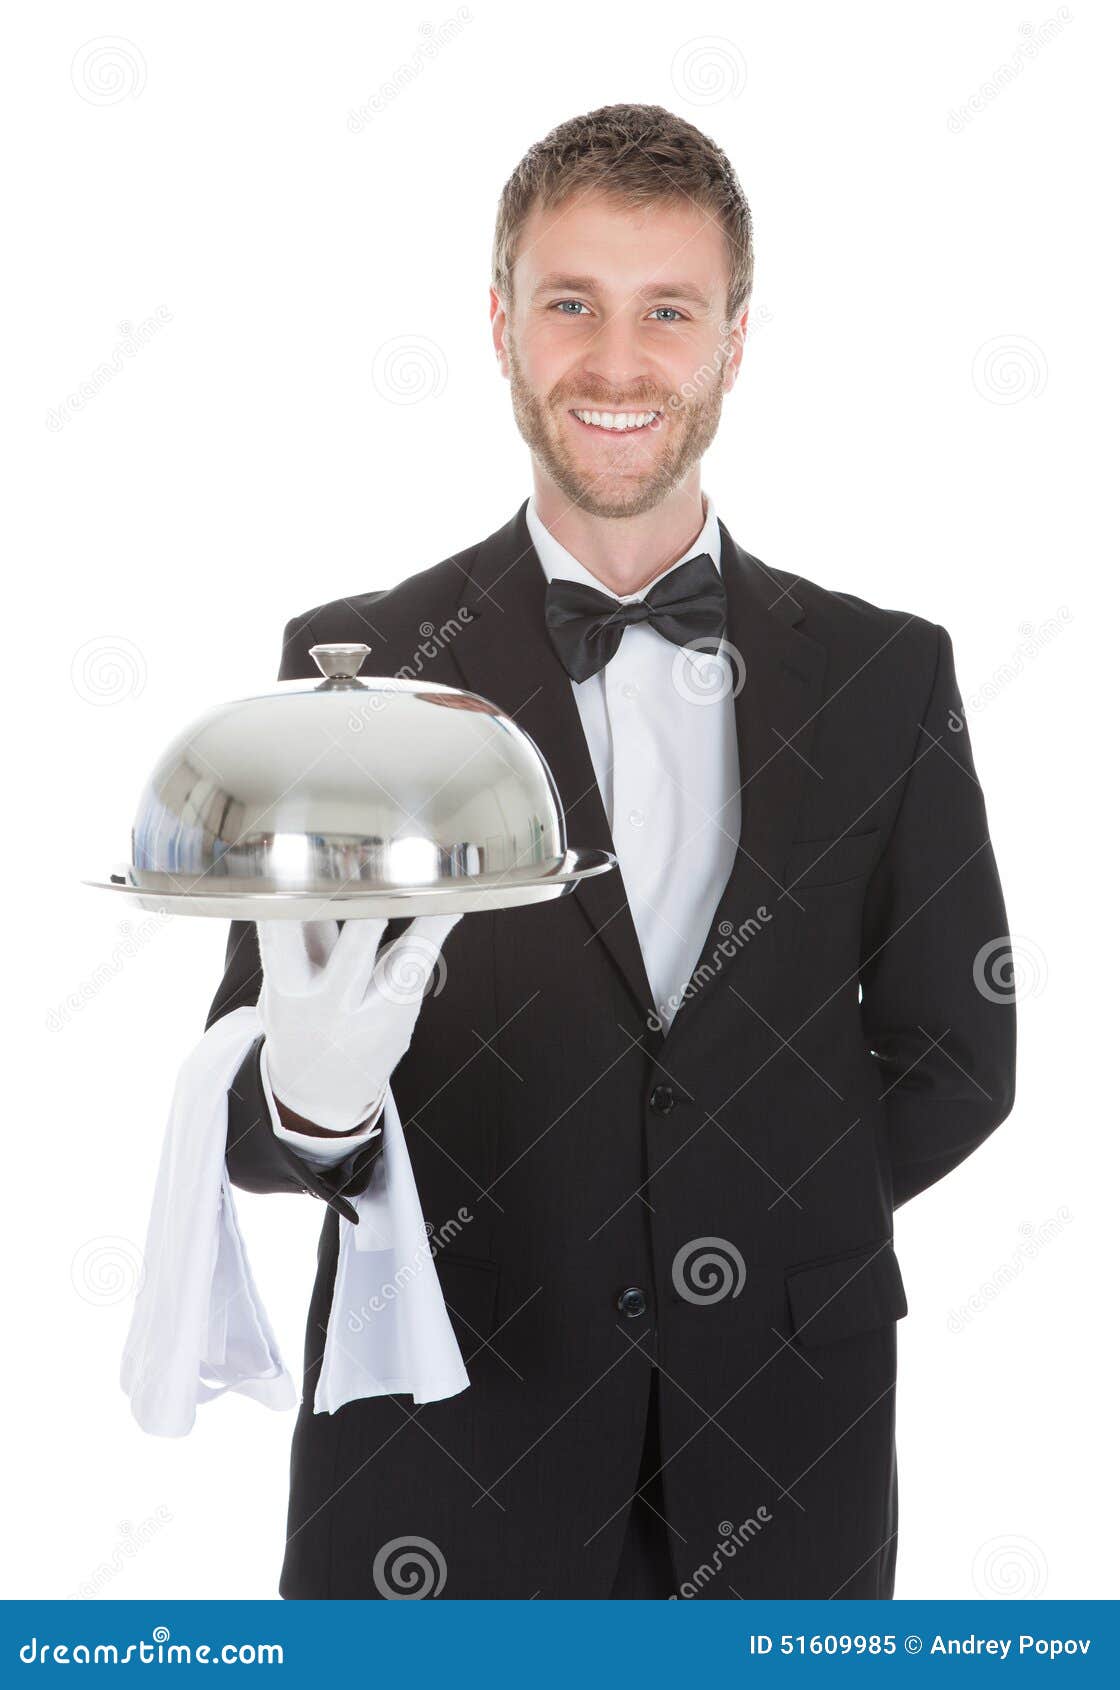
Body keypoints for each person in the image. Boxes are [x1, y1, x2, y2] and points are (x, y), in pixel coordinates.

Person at [205, 103, 1015, 1599]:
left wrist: (734, 1239)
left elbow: (959, 1052)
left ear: (735, 339)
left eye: (669, 311)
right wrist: (316, 1101)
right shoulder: (364, 672)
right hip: (441, 1454)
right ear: (502, 325)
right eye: (569, 302)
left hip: (785, 1445)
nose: (618, 361)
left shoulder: (886, 674)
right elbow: (255, 1113)